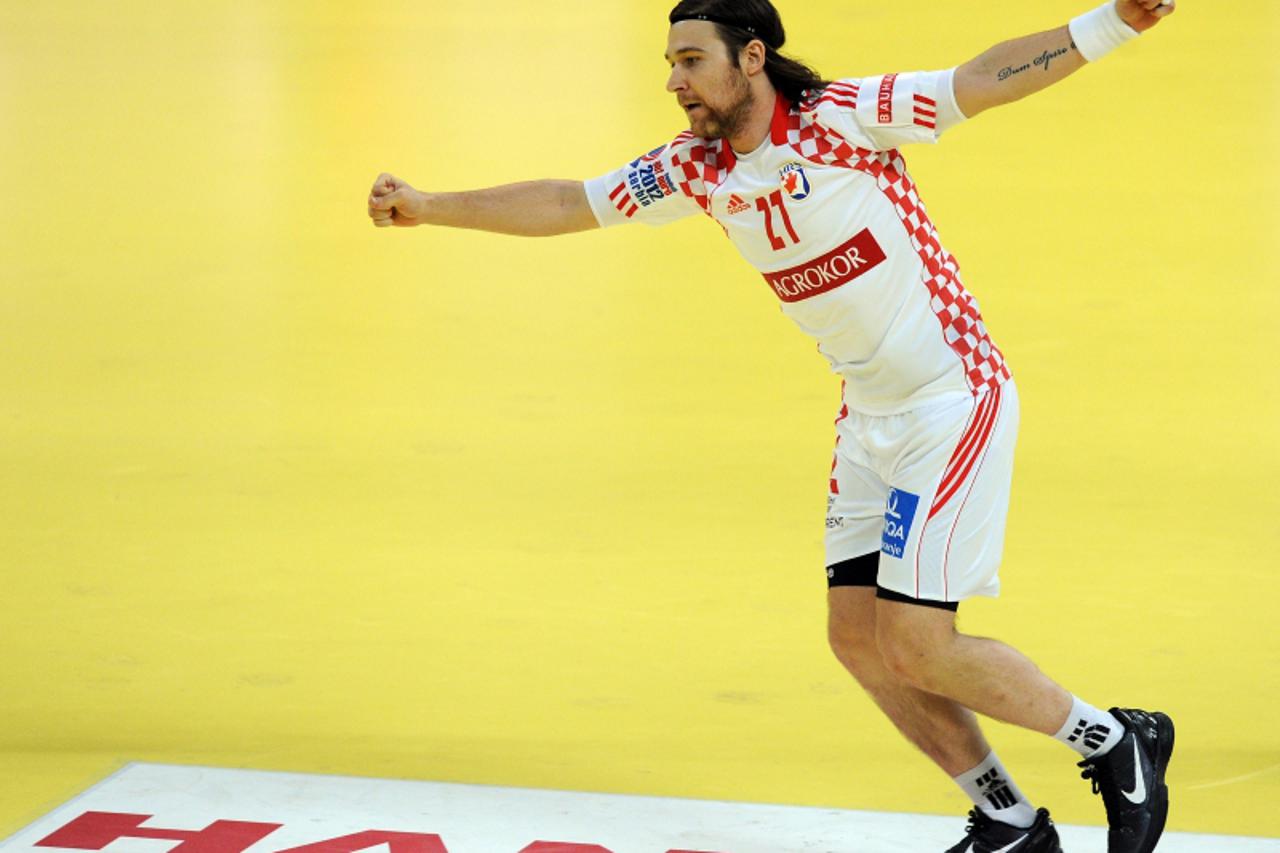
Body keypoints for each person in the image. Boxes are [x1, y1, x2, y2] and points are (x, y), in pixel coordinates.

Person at [367, 1, 1178, 850]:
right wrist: (429, 204)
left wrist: (1114, 22)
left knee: (919, 642)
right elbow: (572, 201)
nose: (674, 81)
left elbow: (982, 79)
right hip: (869, 417)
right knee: (858, 640)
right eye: (670, 63)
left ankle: (1117, 739)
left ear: (751, 57)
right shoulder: (698, 169)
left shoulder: (843, 120)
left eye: (690, 60)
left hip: (951, 398)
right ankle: (1008, 818)